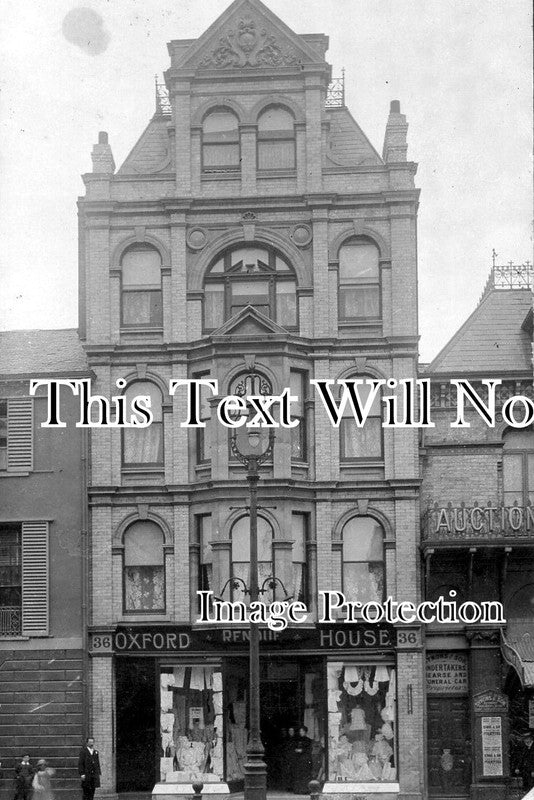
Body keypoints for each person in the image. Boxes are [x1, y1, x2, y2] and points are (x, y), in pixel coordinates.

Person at [292, 726, 313, 794]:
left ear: (305, 732)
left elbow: (309, 750)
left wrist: (302, 750)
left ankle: (305, 790)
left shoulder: (309, 740)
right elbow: (293, 748)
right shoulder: (297, 740)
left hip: (305, 760)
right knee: (298, 775)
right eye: (300, 731)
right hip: (298, 760)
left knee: (305, 775)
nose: (301, 733)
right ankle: (298, 790)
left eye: (302, 731)